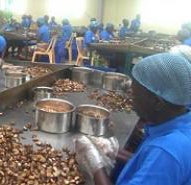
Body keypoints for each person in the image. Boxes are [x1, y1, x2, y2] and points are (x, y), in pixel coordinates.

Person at [74, 51, 191, 185]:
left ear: (157, 103)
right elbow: (146, 164)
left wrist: (96, 165)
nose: (130, 100)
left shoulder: (167, 153)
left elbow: (159, 162)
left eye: (134, 95)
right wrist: (114, 152)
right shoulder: (181, 122)